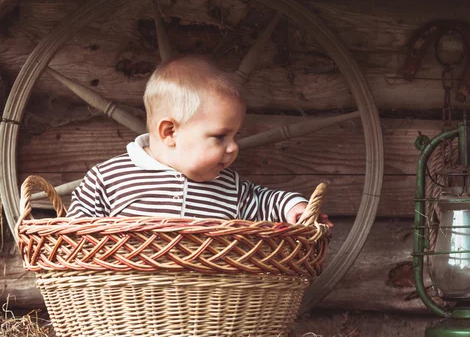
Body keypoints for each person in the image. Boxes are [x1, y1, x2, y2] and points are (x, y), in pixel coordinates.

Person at [67, 55, 332, 227]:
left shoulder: (229, 185)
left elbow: (265, 200)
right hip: (131, 302)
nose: (233, 147)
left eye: (235, 136)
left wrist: (294, 208)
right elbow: (73, 234)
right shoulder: (109, 177)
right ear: (170, 132)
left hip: (206, 304)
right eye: (220, 136)